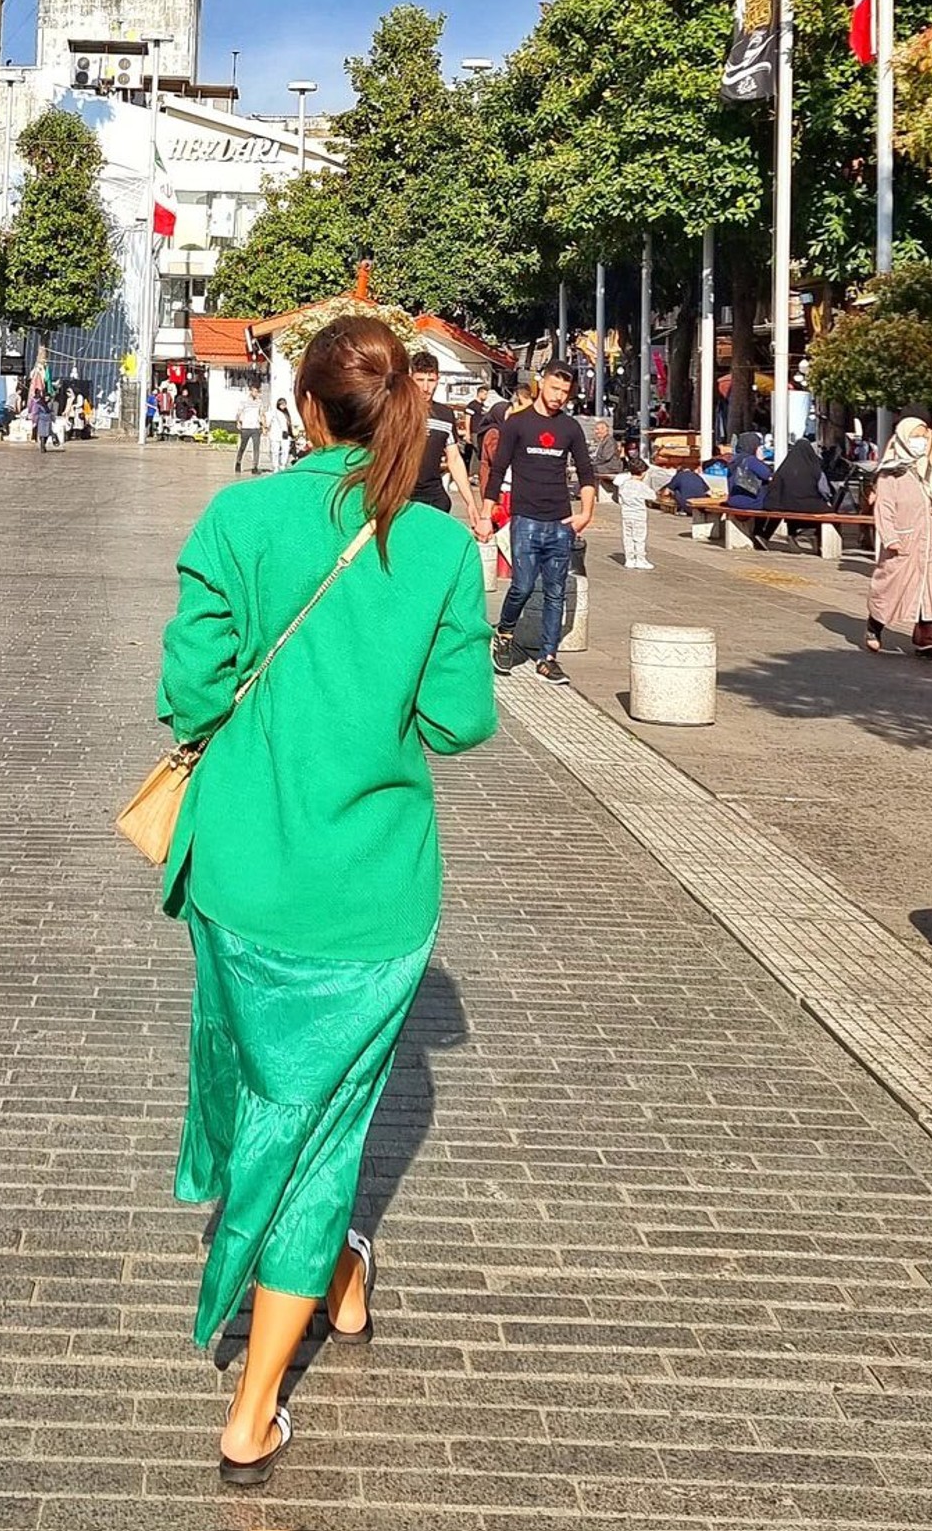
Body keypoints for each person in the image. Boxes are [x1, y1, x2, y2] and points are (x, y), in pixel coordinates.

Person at [158, 314, 495, 1488]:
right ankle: (254, 1407)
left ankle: (321, 1287)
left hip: (239, 867)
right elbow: (460, 720)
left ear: (304, 407)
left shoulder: (237, 519)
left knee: (267, 1082)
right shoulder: (438, 548)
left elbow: (190, 690)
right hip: (370, 890)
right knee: (326, 1117)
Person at [480, 360, 596, 684]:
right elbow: (498, 470)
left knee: (556, 592)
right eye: (554, 388)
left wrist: (586, 513)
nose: (559, 396)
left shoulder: (570, 428)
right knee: (523, 585)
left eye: (565, 391)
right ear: (541, 383)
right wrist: (486, 515)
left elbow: (586, 472)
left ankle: (548, 657)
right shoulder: (517, 423)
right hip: (526, 519)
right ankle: (505, 633)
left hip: (560, 521)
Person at [867, 417, 932, 660]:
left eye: (924, 437)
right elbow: (884, 509)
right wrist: (891, 538)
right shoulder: (890, 473)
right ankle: (875, 626)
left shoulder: (929, 469)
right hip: (905, 540)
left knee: (931, 590)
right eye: (915, 437)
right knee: (891, 586)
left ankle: (926, 640)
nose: (921, 442)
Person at [407, 350, 481, 523]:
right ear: (410, 379)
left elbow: (454, 459)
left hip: (433, 496)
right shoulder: (395, 411)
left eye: (431, 380)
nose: (426, 387)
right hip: (401, 496)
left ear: (438, 379)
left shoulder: (445, 415)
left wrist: (470, 503)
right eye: (420, 380)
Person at [756, 435, 833, 551]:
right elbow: (824, 490)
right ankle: (819, 542)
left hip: (786, 504)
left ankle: (766, 536)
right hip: (810, 505)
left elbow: (774, 487)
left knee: (780, 509)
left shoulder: (784, 468)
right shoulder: (815, 469)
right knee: (829, 512)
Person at [725, 431, 773, 544]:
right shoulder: (751, 460)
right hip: (750, 502)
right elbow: (767, 475)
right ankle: (760, 533)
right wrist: (761, 461)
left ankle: (758, 534)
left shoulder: (734, 460)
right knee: (772, 505)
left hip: (733, 501)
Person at [612, 456, 654, 570]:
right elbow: (653, 496)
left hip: (626, 514)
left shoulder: (624, 484)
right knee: (639, 538)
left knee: (628, 537)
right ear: (643, 472)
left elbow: (620, 500)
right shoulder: (641, 486)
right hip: (639, 515)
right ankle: (640, 559)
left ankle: (629, 559)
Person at [235, 390, 264, 475]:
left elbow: (261, 414)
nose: (256, 393)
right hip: (246, 428)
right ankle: (238, 462)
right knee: (242, 447)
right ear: (250, 391)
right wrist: (238, 422)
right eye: (254, 391)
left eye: (257, 392)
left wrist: (263, 426)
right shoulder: (244, 401)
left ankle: (255, 467)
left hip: (256, 428)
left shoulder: (259, 402)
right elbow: (238, 413)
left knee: (256, 448)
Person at [269, 397, 295, 474]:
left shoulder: (286, 413)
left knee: (285, 450)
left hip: (285, 434)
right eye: (281, 404)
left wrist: (290, 433)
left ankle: (283, 465)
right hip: (275, 434)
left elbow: (288, 424)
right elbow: (269, 422)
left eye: (284, 404)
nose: (283, 406)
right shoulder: (274, 412)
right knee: (275, 451)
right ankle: (275, 466)